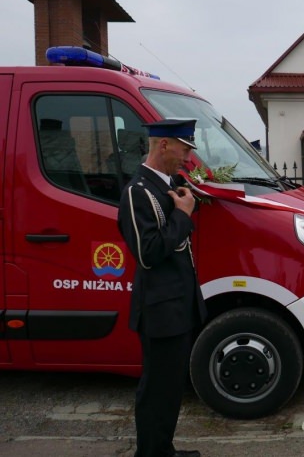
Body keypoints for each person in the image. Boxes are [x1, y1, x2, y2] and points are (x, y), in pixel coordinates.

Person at [117, 119, 206, 457]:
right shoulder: (137, 192)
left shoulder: (167, 185)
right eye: (185, 149)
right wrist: (183, 216)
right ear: (164, 145)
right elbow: (148, 253)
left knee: (170, 389)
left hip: (177, 304)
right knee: (156, 390)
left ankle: (162, 450)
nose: (188, 157)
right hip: (159, 308)